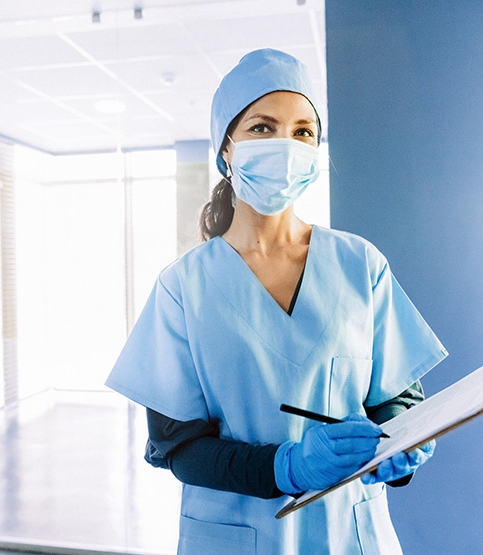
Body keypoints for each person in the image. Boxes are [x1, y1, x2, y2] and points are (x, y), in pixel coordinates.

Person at [106, 49, 447, 555]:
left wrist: (404, 443)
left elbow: (398, 398)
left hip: (348, 533)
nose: (286, 146)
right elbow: (179, 448)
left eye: (303, 131)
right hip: (236, 536)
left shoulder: (361, 264)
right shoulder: (183, 287)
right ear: (226, 150)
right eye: (263, 128)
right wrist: (286, 466)